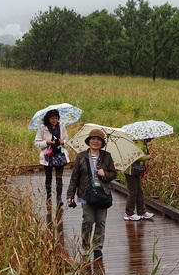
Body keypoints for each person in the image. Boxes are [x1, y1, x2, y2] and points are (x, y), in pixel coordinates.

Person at [66, 129, 117, 259]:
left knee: (100, 221)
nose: (96, 141)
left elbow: (113, 174)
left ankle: (98, 247)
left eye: (99, 139)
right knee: (88, 220)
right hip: (86, 193)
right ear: (89, 141)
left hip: (102, 193)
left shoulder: (107, 156)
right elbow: (75, 177)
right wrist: (70, 194)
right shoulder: (81, 156)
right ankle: (86, 246)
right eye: (93, 139)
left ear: (102, 142)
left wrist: (104, 174)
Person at [34, 109, 70, 209]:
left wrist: (63, 142)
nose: (54, 120)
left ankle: (59, 198)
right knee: (48, 178)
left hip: (60, 154)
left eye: (56, 118)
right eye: (52, 118)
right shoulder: (43, 129)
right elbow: (37, 143)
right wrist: (47, 142)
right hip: (48, 156)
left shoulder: (62, 127)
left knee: (59, 177)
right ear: (48, 119)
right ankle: (49, 197)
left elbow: (67, 141)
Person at [123, 139, 154, 221]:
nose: (153, 138)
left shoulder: (142, 142)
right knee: (133, 191)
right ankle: (129, 213)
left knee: (139, 190)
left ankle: (141, 212)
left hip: (135, 170)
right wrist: (147, 157)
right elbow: (135, 156)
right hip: (130, 170)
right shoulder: (139, 143)